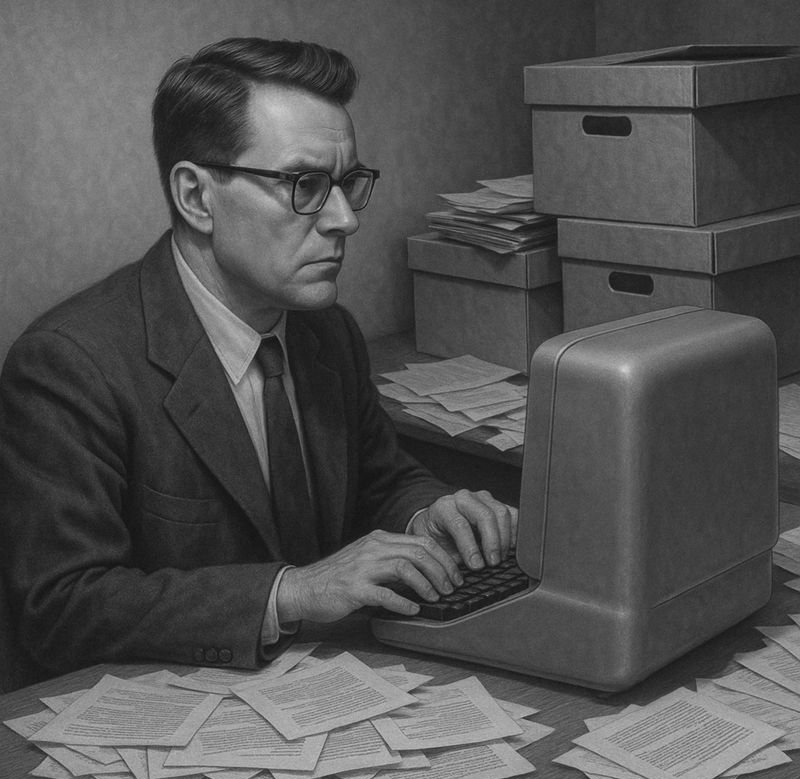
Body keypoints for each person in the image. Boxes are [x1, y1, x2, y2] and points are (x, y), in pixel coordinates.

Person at [0, 37, 516, 680]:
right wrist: (289, 592)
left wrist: (430, 513)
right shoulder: (69, 366)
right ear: (196, 197)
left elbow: (379, 480)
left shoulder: (327, 332)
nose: (344, 221)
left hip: (329, 685)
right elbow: (60, 609)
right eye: (303, 184)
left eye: (348, 183)